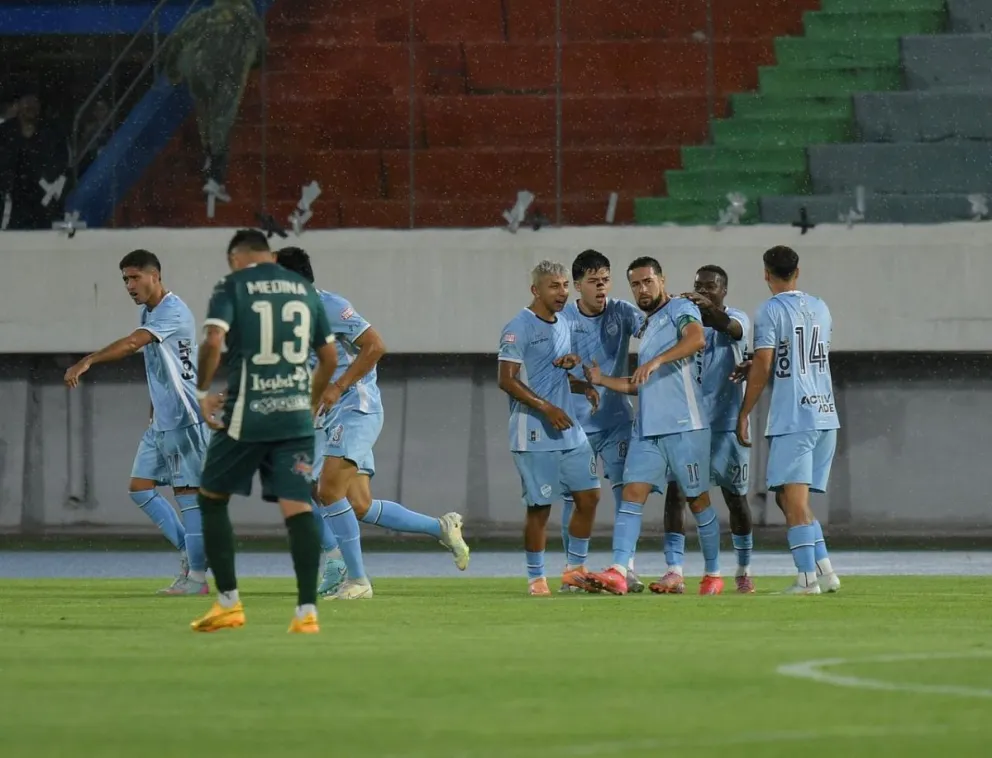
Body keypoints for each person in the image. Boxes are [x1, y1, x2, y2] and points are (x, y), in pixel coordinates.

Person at [275, 247, 470, 600]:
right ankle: (441, 528)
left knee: (328, 489)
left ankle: (356, 579)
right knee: (356, 503)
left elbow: (375, 345)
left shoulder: (329, 306)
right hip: (324, 415)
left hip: (355, 407)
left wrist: (337, 386)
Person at [190, 229, 338, 634]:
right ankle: (307, 612)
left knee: (211, 497)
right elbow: (329, 356)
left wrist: (202, 391)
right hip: (294, 418)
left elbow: (213, 341)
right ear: (269, 255)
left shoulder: (233, 285)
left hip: (247, 412)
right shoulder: (304, 290)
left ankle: (228, 604)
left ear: (236, 257)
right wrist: (308, 399)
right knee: (297, 506)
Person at [63, 250, 209, 594]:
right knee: (140, 488)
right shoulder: (151, 310)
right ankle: (192, 553)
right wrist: (153, 406)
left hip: (185, 419)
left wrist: (89, 360)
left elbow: (132, 344)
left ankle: (198, 579)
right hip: (162, 419)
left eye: (134, 277)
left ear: (154, 276)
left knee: (189, 496)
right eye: (124, 280)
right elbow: (162, 366)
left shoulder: (172, 311)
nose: (129, 286)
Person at [584, 257, 723, 596]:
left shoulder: (679, 309)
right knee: (631, 495)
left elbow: (696, 340)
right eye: (635, 284)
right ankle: (619, 569)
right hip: (648, 429)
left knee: (698, 500)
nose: (641, 289)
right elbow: (639, 383)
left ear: (662, 280)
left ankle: (713, 574)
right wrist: (603, 380)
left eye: (647, 281)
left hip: (685, 426)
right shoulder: (646, 329)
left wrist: (657, 360)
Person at [736, 245, 841, 595]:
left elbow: (766, 363)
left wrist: (744, 412)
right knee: (787, 498)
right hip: (825, 413)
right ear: (798, 272)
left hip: (795, 415)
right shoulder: (821, 307)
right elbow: (801, 356)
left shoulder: (769, 311)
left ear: (766, 273)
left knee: (792, 502)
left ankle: (806, 580)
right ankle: (825, 572)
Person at [497, 260, 601, 596]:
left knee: (589, 496)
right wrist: (547, 407)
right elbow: (507, 380)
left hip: (568, 429)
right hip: (533, 432)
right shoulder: (518, 327)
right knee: (540, 508)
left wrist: (578, 384)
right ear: (535, 290)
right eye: (554, 286)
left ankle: (574, 570)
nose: (562, 292)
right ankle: (536, 577)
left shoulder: (563, 324)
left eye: (564, 286)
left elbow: (548, 374)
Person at [660, 265, 756, 594]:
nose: (702, 291)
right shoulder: (688, 324)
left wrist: (706, 308)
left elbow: (727, 325)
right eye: (698, 286)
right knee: (677, 494)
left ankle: (743, 570)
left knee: (735, 499)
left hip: (727, 426)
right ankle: (674, 570)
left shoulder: (737, 318)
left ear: (724, 291)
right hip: (690, 425)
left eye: (710, 287)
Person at [559, 249, 645, 593]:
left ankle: (625, 567)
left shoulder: (623, 312)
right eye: (593, 282)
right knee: (575, 499)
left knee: (628, 494)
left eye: (605, 280)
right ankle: (574, 570)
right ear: (577, 285)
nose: (601, 288)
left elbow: (653, 331)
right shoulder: (562, 320)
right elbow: (547, 373)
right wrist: (578, 383)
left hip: (617, 421)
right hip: (575, 426)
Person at [162, 0, 266, 203]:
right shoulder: (250, 21)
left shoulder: (203, 16)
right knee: (222, 119)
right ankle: (216, 177)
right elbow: (261, 53)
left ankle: (209, 158)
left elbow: (177, 40)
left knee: (206, 115)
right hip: (228, 69)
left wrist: (173, 71)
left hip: (197, 66)